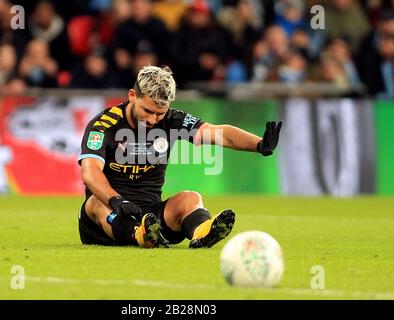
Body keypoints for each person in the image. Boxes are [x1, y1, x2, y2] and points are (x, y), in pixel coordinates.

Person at [77, 65, 282, 248]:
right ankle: (139, 235)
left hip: (151, 218)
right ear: (132, 95)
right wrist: (116, 201)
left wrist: (259, 144)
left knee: (190, 198)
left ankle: (202, 233)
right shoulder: (103, 125)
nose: (152, 120)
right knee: (96, 202)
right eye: (147, 110)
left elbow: (218, 134)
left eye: (160, 113)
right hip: (105, 219)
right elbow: (90, 171)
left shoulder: (174, 120)